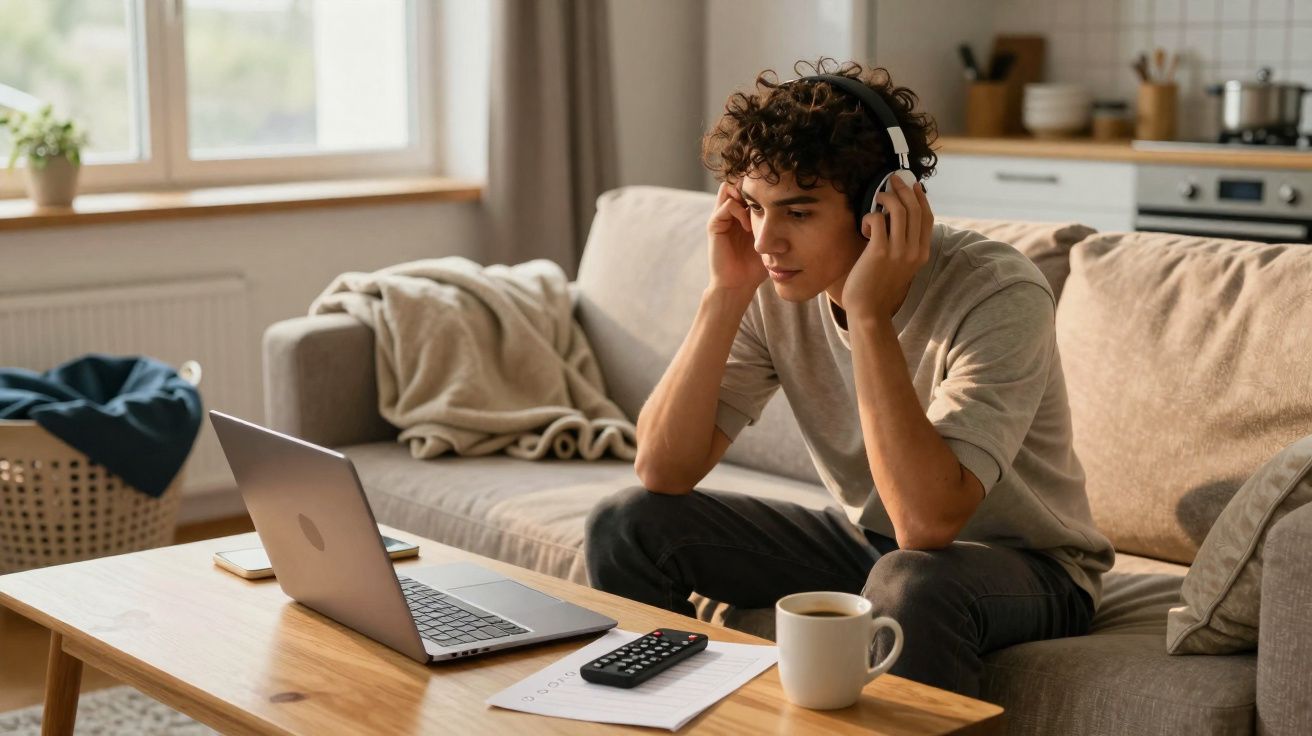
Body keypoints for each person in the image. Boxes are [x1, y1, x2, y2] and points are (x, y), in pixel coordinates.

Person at [583, 58, 1114, 698]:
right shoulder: (766, 283)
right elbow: (663, 471)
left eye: (798, 213)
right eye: (753, 208)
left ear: (880, 205)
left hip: (1030, 567)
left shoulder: (998, 291)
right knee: (628, 522)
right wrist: (724, 294)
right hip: (873, 543)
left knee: (912, 579)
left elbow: (926, 525)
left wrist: (867, 316)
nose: (765, 240)